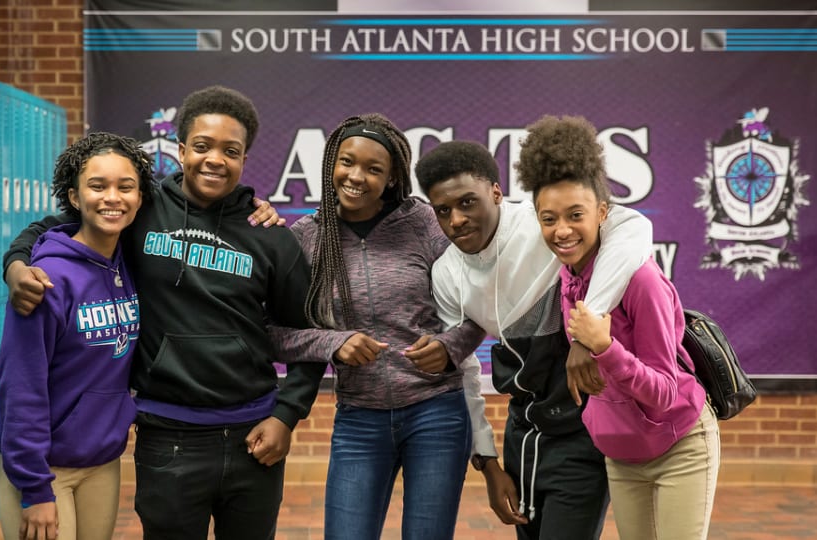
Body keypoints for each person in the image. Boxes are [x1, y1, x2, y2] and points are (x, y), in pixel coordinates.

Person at [2, 86, 326, 540]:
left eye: (230, 151)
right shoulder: (141, 209)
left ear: (245, 159)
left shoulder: (270, 235)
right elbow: (51, 228)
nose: (215, 159)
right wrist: (16, 265)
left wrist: (286, 416)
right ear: (180, 151)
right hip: (167, 436)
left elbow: (308, 334)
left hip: (255, 437)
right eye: (202, 146)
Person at [415, 139, 653, 540]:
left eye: (468, 203)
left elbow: (634, 227)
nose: (456, 220)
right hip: (522, 439)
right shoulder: (447, 273)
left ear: (496, 191)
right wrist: (488, 462)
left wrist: (585, 328)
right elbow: (465, 373)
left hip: (582, 432)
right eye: (443, 210)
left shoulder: (542, 224)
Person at [269, 113, 492, 540]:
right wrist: (334, 342)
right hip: (359, 420)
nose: (357, 176)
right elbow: (272, 334)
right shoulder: (307, 237)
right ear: (331, 162)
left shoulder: (425, 222)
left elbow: (478, 307)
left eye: (374, 169)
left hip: (436, 414)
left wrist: (449, 346)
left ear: (391, 179)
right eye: (347, 162)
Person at [518, 115, 720, 540]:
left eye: (576, 215)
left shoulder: (641, 281)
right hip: (622, 454)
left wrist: (606, 347)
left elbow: (665, 392)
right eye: (548, 218)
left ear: (603, 212)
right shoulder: (567, 278)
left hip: (678, 444)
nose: (562, 230)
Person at [0, 132, 151, 540]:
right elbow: (21, 386)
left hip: (101, 460)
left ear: (140, 197)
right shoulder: (45, 279)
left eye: (125, 187)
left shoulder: (126, 262)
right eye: (97, 186)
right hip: (45, 471)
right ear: (75, 198)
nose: (112, 197)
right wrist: (34, 488)